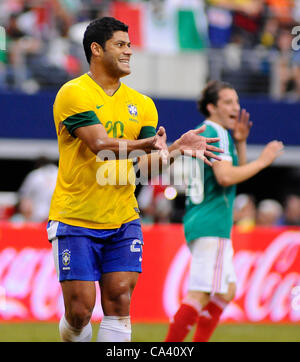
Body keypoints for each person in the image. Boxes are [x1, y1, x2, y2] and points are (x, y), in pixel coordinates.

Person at [46, 17, 223, 343]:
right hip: (75, 218)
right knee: (81, 312)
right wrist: (144, 144)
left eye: (130, 45)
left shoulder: (142, 105)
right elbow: (98, 144)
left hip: (123, 218)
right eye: (121, 45)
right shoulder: (73, 94)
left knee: (120, 300)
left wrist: (175, 150)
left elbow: (145, 167)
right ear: (96, 50)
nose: (129, 51)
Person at [164, 80, 284, 342]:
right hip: (212, 221)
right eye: (228, 102)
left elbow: (233, 171)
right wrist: (263, 161)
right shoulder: (213, 131)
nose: (236, 107)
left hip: (203, 219)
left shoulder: (208, 130)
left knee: (226, 290)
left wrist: (240, 142)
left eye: (237, 102)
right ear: (211, 107)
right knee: (200, 293)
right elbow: (227, 177)